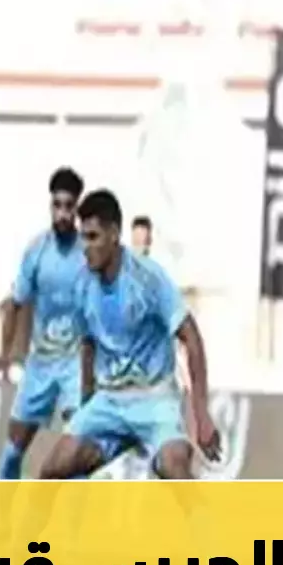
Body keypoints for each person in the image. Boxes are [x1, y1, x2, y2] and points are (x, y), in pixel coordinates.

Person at [40, 189, 220, 480]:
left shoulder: (148, 277)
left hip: (154, 397)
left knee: (174, 467)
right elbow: (88, 344)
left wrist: (202, 414)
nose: (86, 247)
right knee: (52, 469)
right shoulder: (82, 282)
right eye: (83, 237)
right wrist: (85, 405)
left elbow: (191, 336)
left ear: (114, 234)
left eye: (93, 237)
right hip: (109, 399)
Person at [0, 167, 86, 480]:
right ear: (50, 206)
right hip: (40, 365)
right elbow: (16, 303)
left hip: (75, 366)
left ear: (77, 209)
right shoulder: (36, 251)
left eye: (68, 206)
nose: (62, 214)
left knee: (77, 449)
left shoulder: (89, 254)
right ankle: (2, 512)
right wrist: (4, 355)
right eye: (57, 205)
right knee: (12, 451)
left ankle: (76, 514)